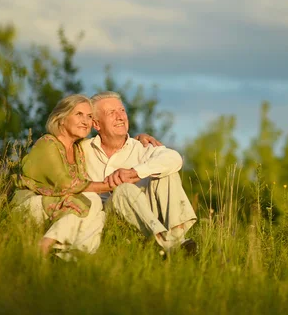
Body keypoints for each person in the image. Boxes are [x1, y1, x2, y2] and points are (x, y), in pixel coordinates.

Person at [82, 91, 198, 255]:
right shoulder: (83, 150)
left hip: (145, 218)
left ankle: (175, 240)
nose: (120, 117)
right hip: (108, 221)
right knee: (123, 189)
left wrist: (134, 172)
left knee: (166, 171)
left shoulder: (142, 147)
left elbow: (174, 158)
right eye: (111, 113)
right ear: (96, 124)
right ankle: (171, 246)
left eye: (122, 110)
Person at [11, 94, 112, 259]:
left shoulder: (78, 150)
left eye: (89, 117)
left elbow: (109, 141)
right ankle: (44, 246)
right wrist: (108, 185)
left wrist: (139, 138)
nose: (86, 121)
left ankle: (69, 257)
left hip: (59, 205)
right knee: (91, 200)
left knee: (99, 215)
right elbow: (66, 185)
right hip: (29, 205)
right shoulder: (47, 144)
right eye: (79, 114)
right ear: (61, 118)